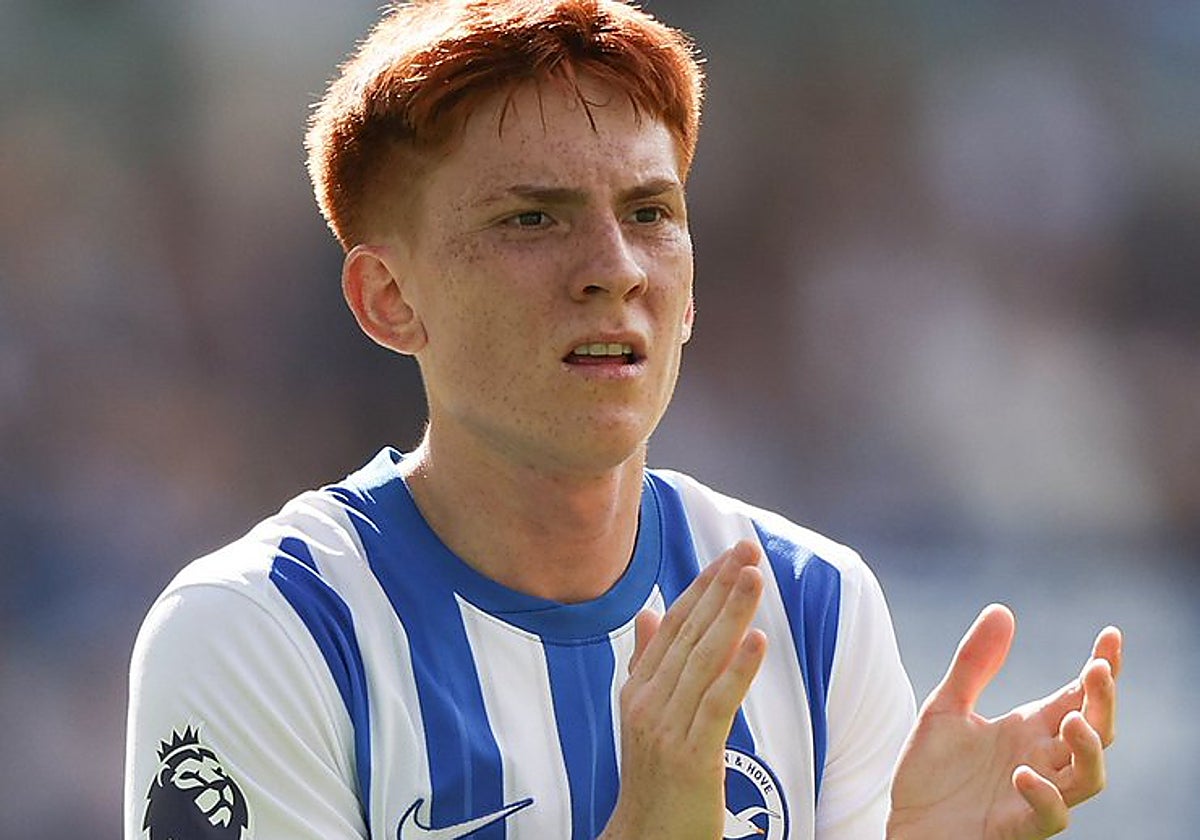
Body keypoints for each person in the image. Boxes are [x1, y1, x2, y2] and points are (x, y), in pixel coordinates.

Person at [123, 2, 1122, 839]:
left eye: (649, 213)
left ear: (690, 291)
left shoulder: (815, 612)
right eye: (531, 219)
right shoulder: (261, 632)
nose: (616, 267)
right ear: (388, 297)